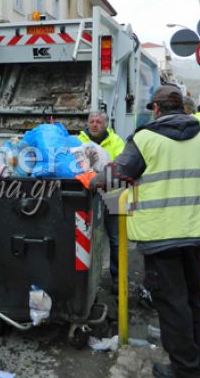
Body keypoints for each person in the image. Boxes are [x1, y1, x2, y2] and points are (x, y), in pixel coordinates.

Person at [78, 85, 200, 378]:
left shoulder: (145, 138)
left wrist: (94, 181)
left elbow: (117, 175)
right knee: (190, 299)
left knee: (172, 304)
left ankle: (185, 369)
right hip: (199, 232)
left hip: (162, 236)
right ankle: (196, 360)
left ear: (156, 109)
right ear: (183, 108)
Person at [77, 110, 125, 294]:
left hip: (114, 194)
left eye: (98, 121)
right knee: (87, 238)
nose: (95, 124)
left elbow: (122, 166)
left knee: (116, 239)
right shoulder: (80, 141)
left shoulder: (116, 141)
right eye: (92, 121)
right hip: (89, 195)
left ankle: (117, 278)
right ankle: (86, 280)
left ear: (105, 124)